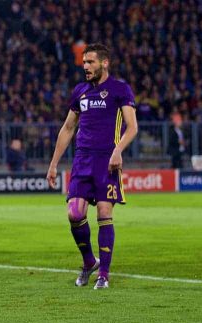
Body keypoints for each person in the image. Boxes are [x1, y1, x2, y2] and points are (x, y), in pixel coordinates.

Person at [46, 43, 138, 290]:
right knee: (74, 213)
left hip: (107, 161)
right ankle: (89, 262)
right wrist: (54, 164)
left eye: (90, 62)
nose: (85, 67)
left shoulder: (120, 89)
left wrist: (118, 151)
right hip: (82, 160)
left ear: (104, 63)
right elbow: (67, 128)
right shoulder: (80, 91)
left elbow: (132, 127)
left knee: (104, 214)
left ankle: (104, 274)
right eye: (84, 62)